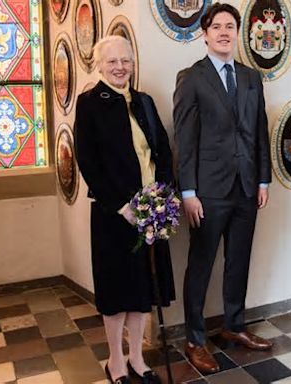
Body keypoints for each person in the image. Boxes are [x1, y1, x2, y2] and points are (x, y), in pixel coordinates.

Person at [173, 2, 272, 374]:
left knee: (239, 262)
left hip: (247, 187)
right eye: (218, 26)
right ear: (205, 32)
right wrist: (188, 192)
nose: (225, 32)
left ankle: (234, 326)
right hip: (208, 191)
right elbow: (183, 139)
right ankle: (195, 339)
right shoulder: (192, 77)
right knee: (200, 265)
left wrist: (263, 179)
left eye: (231, 26)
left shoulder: (250, 77)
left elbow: (259, 131)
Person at [75, 35, 174, 383]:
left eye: (126, 61)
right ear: (100, 64)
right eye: (113, 61)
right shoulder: (89, 103)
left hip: (149, 211)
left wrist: (162, 197)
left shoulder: (144, 102)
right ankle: (115, 361)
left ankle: (137, 359)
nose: (120, 67)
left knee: (141, 290)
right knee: (116, 292)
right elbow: (87, 161)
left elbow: (161, 151)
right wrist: (120, 205)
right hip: (112, 215)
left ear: (133, 64)